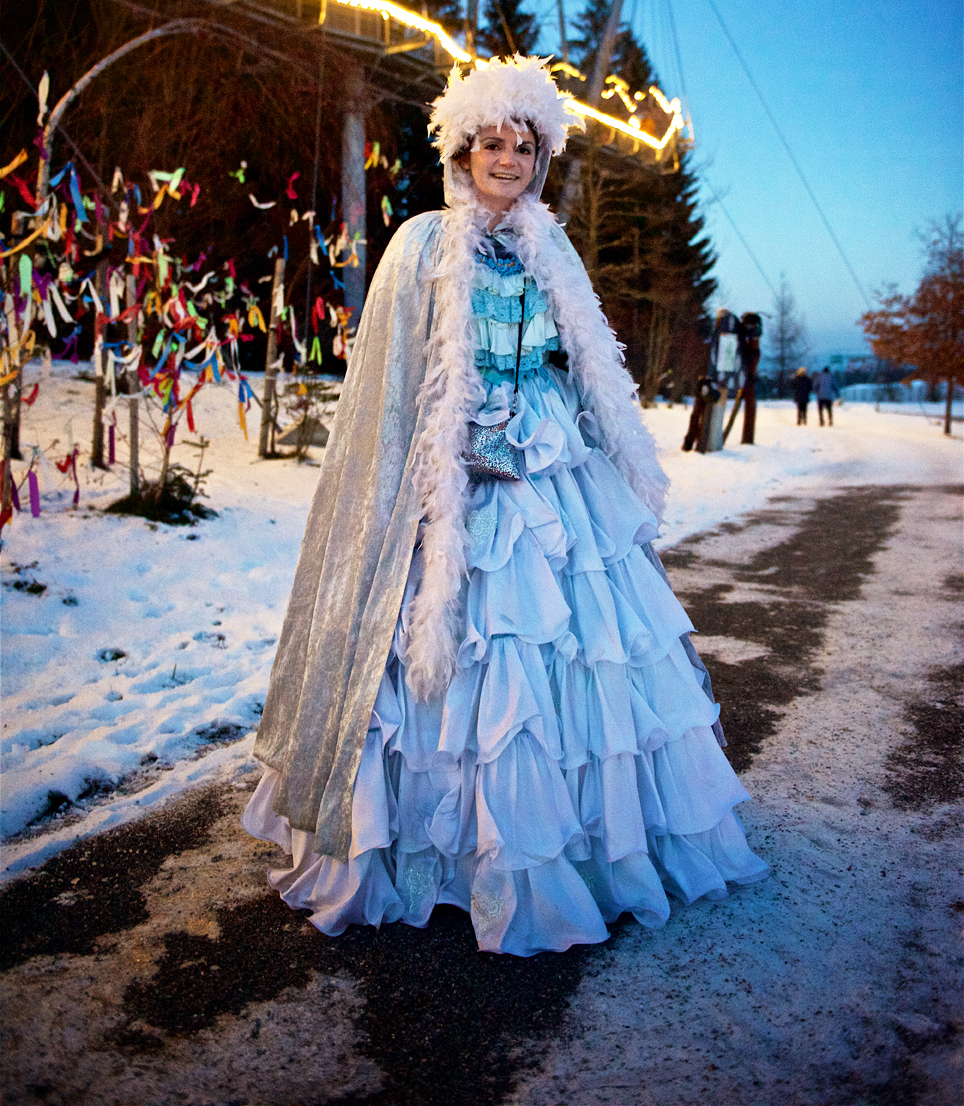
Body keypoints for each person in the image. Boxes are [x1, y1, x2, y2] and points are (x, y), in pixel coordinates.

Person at [243, 56, 767, 956]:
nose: (508, 159)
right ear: (462, 150)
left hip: (544, 463)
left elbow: (582, 354)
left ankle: (565, 847)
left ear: (540, 157)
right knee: (444, 652)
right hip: (445, 473)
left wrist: (580, 431)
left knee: (569, 644)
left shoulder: (550, 245)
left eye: (524, 147)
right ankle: (432, 852)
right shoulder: (416, 245)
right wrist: (426, 460)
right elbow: (389, 383)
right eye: (493, 143)